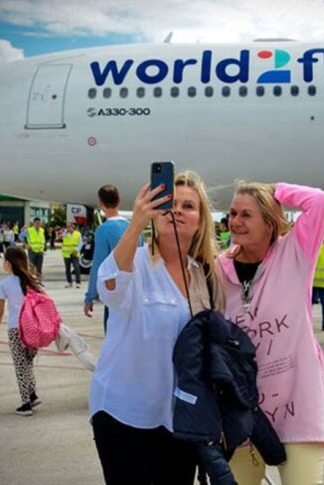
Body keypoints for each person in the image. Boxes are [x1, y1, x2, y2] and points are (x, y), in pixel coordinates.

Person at [90, 172, 219, 484]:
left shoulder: (203, 274)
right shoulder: (134, 263)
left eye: (188, 206)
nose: (176, 211)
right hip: (124, 414)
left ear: (201, 221)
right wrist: (135, 223)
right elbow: (109, 288)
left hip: (180, 418)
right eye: (170, 203)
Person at [218, 181, 324, 485]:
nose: (235, 222)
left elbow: (319, 201)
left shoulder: (296, 253)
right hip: (241, 410)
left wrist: (276, 189)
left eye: (246, 214)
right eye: (232, 213)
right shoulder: (219, 268)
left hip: (297, 404)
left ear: (270, 222)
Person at [0, 247, 43, 416]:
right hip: (33, 328)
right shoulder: (32, 280)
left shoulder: (4, 284)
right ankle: (32, 394)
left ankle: (25, 404)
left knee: (20, 366)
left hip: (15, 328)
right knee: (27, 362)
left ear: (8, 262)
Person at [84, 184, 138, 333]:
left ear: (100, 204)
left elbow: (98, 266)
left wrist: (90, 297)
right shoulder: (133, 227)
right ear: (119, 200)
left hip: (115, 294)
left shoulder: (103, 230)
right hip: (134, 294)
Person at [62, 221, 82, 288]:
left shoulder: (78, 234)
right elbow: (60, 237)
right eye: (67, 227)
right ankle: (69, 282)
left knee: (76, 268)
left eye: (70, 227)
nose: (68, 228)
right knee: (67, 269)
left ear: (73, 227)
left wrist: (76, 250)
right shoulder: (65, 233)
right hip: (66, 254)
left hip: (74, 254)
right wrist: (65, 231)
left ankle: (78, 282)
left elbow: (80, 243)